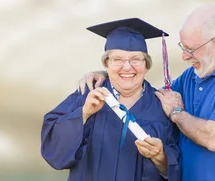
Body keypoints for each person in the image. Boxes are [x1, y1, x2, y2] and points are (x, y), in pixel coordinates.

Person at [78, 5, 215, 181]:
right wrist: (116, 72)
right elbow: (150, 95)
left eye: (191, 49)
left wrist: (176, 113)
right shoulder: (192, 76)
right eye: (183, 47)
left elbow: (214, 138)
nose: (183, 56)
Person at [41, 18, 181, 181]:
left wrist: (161, 157)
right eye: (118, 60)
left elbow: (182, 166)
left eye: (135, 59)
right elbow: (53, 149)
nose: (127, 67)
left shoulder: (162, 108)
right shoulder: (88, 95)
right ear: (107, 64)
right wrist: (84, 114)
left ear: (147, 65)